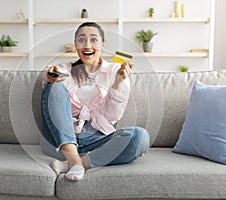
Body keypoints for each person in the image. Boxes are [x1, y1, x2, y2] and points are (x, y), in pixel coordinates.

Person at [41, 22, 150, 181]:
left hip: (96, 141)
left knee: (140, 136)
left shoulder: (116, 71)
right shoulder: (65, 68)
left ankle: (73, 164)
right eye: (81, 40)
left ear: (103, 45)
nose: (87, 45)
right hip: (58, 141)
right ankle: (72, 158)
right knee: (55, 87)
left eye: (93, 40)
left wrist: (117, 83)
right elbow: (52, 81)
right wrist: (50, 77)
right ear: (76, 45)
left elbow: (112, 116)